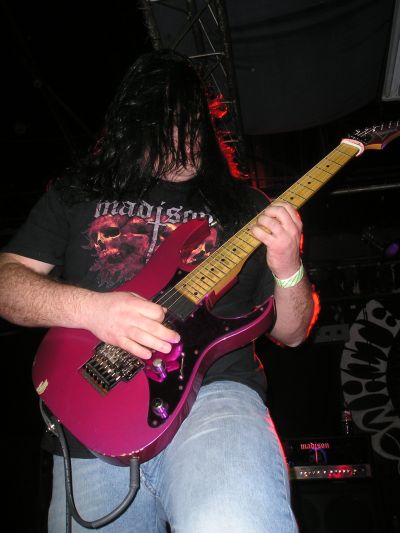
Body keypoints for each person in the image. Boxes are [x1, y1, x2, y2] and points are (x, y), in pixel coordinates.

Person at [0, 49, 315, 532]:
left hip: (214, 397)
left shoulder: (248, 208)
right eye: (164, 122)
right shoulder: (77, 191)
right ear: (132, 125)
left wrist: (289, 266)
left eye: (191, 122)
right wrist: (94, 310)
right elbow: (7, 282)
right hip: (91, 413)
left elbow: (292, 333)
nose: (183, 137)